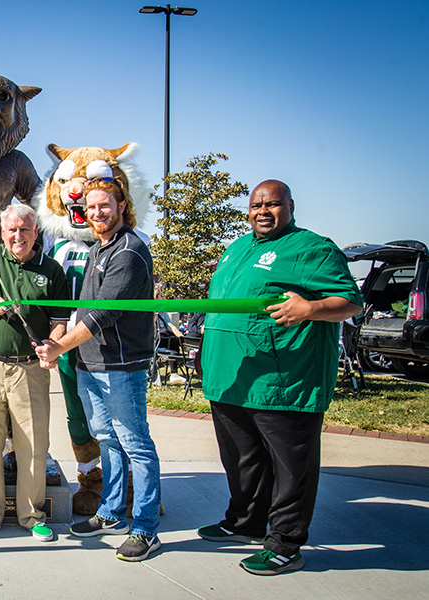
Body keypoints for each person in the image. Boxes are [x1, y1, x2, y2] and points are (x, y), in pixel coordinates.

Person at [197, 179, 362, 575]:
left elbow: (350, 301)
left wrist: (312, 308)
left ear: (290, 206)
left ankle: (285, 543)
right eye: (256, 205)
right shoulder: (236, 248)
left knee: (291, 467)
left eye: (272, 204)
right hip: (231, 378)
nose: (263, 212)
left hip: (281, 381)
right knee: (242, 460)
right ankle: (246, 522)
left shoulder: (311, 248)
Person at [35, 179, 162, 562]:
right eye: (90, 207)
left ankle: (144, 527)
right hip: (91, 363)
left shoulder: (130, 250)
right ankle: (111, 513)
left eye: (104, 205)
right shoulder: (99, 248)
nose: (96, 213)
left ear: (122, 205)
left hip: (120, 367)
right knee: (107, 439)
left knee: (135, 443)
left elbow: (104, 313)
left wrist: (60, 346)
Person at [0, 204, 70, 543]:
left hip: (31, 369)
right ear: (2, 232)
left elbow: (60, 320)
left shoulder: (51, 270)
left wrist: (53, 346)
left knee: (33, 444)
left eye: (24, 230)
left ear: (36, 233)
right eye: (12, 230)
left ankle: (32, 516)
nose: (17, 236)